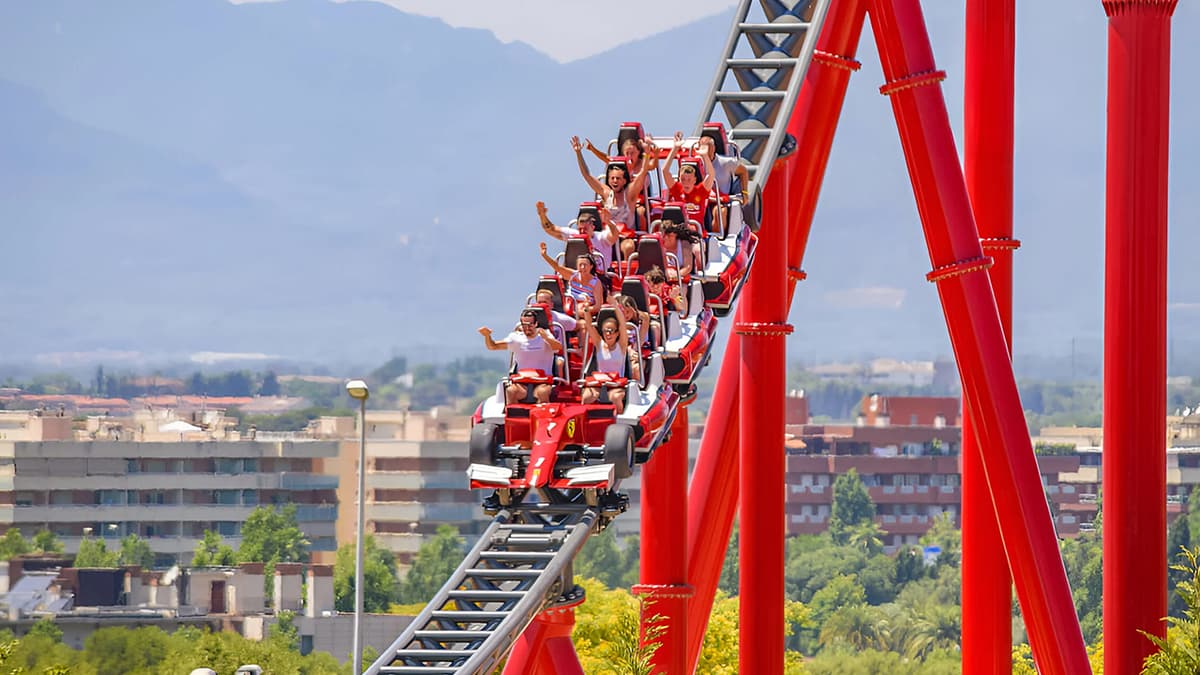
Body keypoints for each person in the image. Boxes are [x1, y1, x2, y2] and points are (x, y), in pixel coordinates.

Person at [571, 136, 654, 258]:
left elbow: (642, 174)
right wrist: (578, 153)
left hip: (624, 236)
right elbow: (587, 175)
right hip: (607, 237)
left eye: (618, 179)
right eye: (612, 178)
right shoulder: (606, 192)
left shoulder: (630, 193)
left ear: (624, 180)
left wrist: (647, 154)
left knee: (629, 246)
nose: (615, 181)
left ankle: (626, 275)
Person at [478, 309, 564, 405]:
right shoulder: (516, 338)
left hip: (542, 382)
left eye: (530, 324)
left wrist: (546, 338)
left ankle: (542, 417)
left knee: (542, 393)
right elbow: (493, 346)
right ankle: (514, 417)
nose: (527, 328)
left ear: (536, 324)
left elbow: (558, 347)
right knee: (511, 391)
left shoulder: (545, 335)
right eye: (524, 325)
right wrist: (487, 336)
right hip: (522, 383)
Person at [580, 305, 636, 413]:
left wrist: (616, 308)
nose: (608, 334)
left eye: (611, 330)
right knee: (587, 396)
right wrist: (587, 310)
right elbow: (589, 326)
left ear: (617, 333)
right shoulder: (599, 343)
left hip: (616, 384)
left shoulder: (621, 346)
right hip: (600, 383)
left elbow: (622, 325)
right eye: (605, 331)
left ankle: (619, 419)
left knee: (615, 397)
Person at [537, 201, 620, 271]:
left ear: (592, 227)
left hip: (599, 278)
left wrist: (608, 222)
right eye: (580, 229)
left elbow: (614, 235)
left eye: (585, 229)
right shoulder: (574, 235)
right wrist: (542, 215)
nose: (583, 231)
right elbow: (551, 230)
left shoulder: (601, 238)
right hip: (576, 275)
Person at [539, 241, 606, 311]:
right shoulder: (573, 275)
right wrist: (545, 256)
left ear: (591, 266)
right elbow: (557, 267)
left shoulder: (596, 283)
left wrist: (586, 309)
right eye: (580, 265)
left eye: (585, 265)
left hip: (585, 309)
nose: (582, 267)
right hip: (570, 305)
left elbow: (598, 306)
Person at [662, 131, 716, 216]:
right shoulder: (677, 189)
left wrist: (705, 156)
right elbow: (665, 171)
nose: (686, 183)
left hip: (696, 228)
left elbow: (711, 175)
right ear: (679, 179)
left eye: (689, 179)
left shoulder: (700, 191)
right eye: (683, 179)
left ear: (695, 180)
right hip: (680, 228)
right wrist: (675, 148)